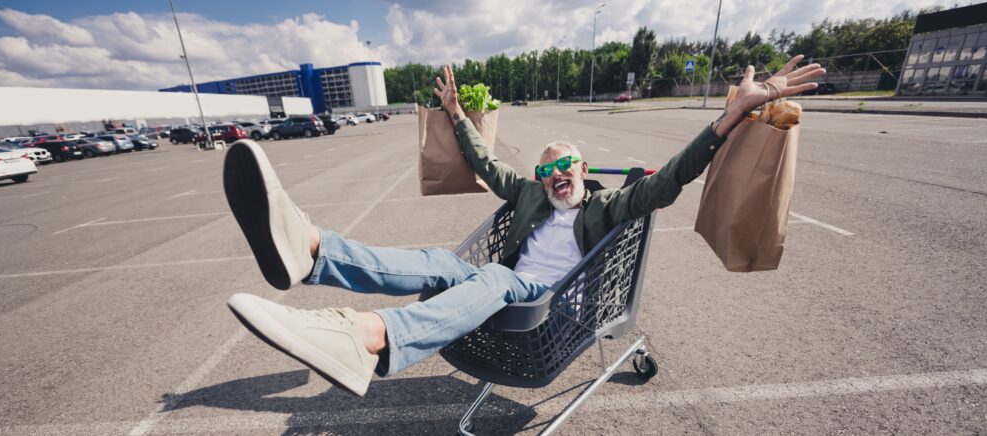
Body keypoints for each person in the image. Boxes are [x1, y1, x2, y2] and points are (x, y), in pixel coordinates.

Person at [223, 57, 825, 397]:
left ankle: (368, 336)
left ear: (584, 171)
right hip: (507, 285)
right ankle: (311, 249)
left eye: (566, 165)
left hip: (555, 308)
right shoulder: (532, 196)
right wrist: (458, 117)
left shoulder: (607, 207)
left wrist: (732, 113)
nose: (556, 174)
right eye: (547, 169)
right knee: (443, 261)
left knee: (495, 283)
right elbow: (487, 165)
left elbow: (671, 179)